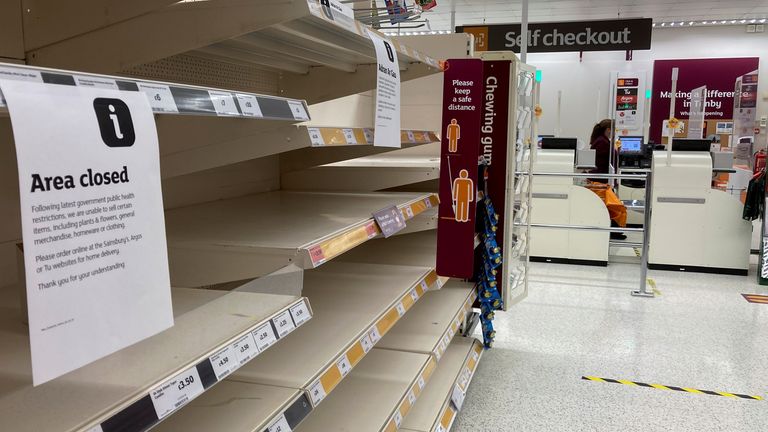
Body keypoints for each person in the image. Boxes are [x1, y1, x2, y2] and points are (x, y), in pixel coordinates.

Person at [588, 119, 628, 240]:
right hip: (602, 180)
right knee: (610, 205)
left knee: (610, 205)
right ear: (608, 130)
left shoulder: (602, 141)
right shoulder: (602, 142)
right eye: (614, 130)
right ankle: (612, 231)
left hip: (603, 179)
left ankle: (614, 230)